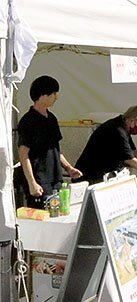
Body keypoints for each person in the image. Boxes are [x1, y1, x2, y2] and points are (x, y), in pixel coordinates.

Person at [17, 76, 82, 208]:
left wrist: (69, 168)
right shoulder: (28, 121)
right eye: (53, 93)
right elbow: (24, 155)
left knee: (59, 212)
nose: (56, 97)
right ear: (43, 95)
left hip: (56, 178)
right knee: (43, 215)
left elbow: (56, 149)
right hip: (39, 179)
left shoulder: (52, 118)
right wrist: (32, 183)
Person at [74, 105, 137, 184]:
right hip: (91, 176)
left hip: (100, 174)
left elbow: (134, 151)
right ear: (133, 120)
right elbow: (130, 159)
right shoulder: (117, 130)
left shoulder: (123, 126)